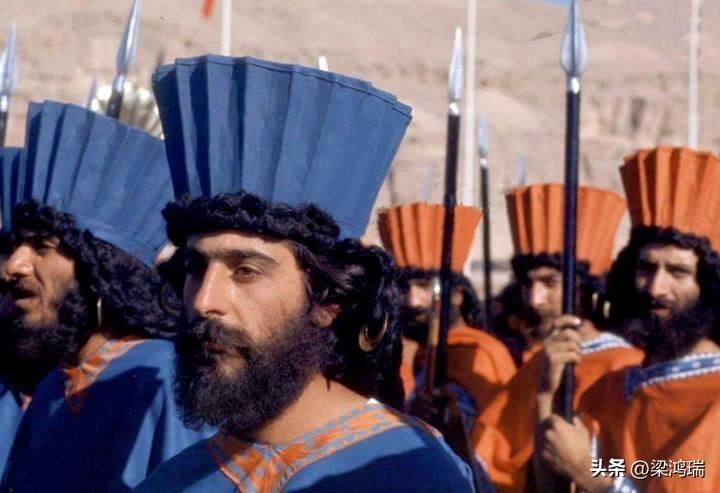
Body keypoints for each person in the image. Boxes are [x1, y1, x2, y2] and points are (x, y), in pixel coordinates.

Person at [134, 54, 479, 493]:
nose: (204, 301)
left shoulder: (413, 475)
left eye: (245, 271)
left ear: (327, 302)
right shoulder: (171, 481)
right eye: (195, 268)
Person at [0, 101, 212, 493]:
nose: (13, 266)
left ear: (100, 266)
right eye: (15, 246)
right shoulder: (53, 386)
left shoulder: (161, 378)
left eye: (41, 246)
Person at [537, 147, 720, 492]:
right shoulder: (609, 391)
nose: (655, 288)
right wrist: (546, 395)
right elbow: (556, 484)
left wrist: (594, 478)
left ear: (708, 285)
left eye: (677, 272)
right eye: (646, 268)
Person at [471, 183, 642, 493]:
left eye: (550, 283)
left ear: (583, 288)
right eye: (529, 284)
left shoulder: (623, 365)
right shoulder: (538, 363)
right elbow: (493, 458)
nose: (534, 299)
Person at [377, 202, 515, 429]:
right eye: (404, 288)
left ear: (457, 295)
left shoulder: (483, 353)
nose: (413, 301)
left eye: (424, 287)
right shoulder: (408, 352)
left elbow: (494, 434)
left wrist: (451, 416)